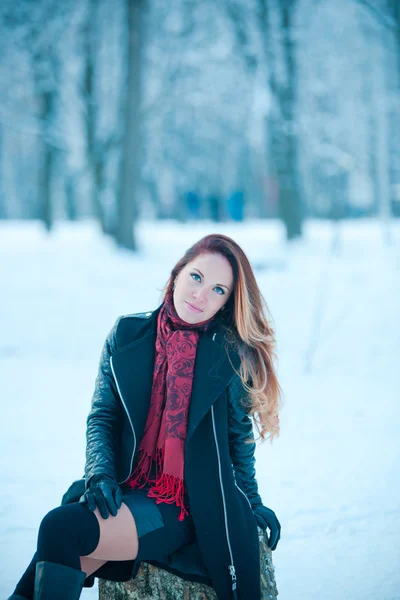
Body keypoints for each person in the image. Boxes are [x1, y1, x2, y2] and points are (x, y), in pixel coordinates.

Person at [9, 233, 282, 600]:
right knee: (54, 553)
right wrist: (100, 474)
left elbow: (238, 439)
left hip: (184, 507)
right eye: (197, 277)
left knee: (60, 529)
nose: (201, 295)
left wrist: (253, 501)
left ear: (226, 303)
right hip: (126, 487)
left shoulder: (228, 356)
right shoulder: (127, 334)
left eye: (219, 290)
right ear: (178, 273)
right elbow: (102, 417)